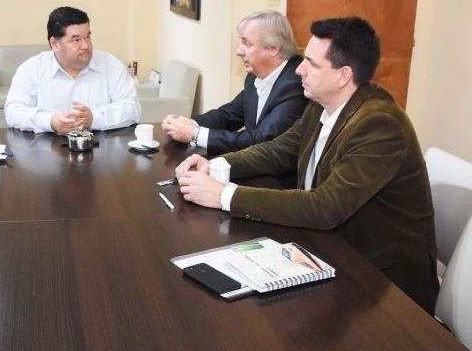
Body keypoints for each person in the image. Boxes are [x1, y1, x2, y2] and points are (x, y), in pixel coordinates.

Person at [175, 17, 438, 313]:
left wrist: (224, 195)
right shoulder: (321, 104)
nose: (299, 68)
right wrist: (217, 164)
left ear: (343, 75)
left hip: (384, 282)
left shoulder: (379, 125)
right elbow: (277, 151)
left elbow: (325, 206)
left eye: (311, 63)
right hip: (329, 247)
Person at [161, 10, 306, 156]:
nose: (238, 51)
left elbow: (260, 140)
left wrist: (195, 134)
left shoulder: (295, 85)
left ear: (273, 49)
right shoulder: (254, 75)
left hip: (277, 175)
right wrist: (188, 124)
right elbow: (228, 115)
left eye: (247, 44)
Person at [5, 6, 140, 134]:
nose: (85, 45)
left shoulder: (110, 65)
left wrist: (94, 118)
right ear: (55, 44)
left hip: (102, 149)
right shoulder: (32, 68)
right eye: (76, 40)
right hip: (48, 150)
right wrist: (50, 121)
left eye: (88, 36)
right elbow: (13, 112)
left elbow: (133, 108)